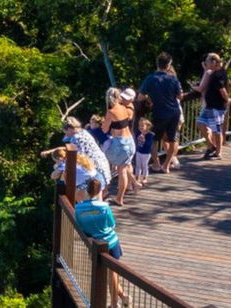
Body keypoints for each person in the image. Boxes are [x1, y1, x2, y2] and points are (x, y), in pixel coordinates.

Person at [74, 177, 126, 307]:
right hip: (112, 242)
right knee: (112, 273)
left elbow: (80, 227)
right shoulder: (104, 206)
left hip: (95, 244)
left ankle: (117, 301)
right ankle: (116, 301)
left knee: (104, 274)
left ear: (86, 190)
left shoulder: (79, 208)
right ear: (99, 191)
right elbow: (112, 224)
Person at [138, 52, 183, 173]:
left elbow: (140, 97)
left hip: (159, 113)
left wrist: (149, 98)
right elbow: (180, 96)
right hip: (174, 112)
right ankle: (166, 165)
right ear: (168, 65)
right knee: (173, 139)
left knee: (153, 139)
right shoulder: (173, 78)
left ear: (157, 64)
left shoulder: (150, 79)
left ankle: (157, 164)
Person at [102, 88, 137, 205]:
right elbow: (128, 118)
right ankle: (121, 196)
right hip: (130, 141)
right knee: (124, 167)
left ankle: (110, 192)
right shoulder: (124, 108)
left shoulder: (110, 111)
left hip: (120, 143)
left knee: (102, 157)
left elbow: (104, 129)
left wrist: (104, 123)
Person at [193, 52, 231, 160]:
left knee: (216, 130)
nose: (206, 63)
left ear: (214, 62)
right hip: (210, 106)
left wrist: (227, 99)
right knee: (200, 122)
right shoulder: (213, 73)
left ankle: (218, 152)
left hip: (216, 106)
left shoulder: (218, 74)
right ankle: (211, 145)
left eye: (207, 61)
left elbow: (222, 90)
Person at [133, 117, 154, 188]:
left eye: (142, 125)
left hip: (146, 153)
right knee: (138, 165)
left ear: (147, 126)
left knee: (144, 165)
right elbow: (135, 138)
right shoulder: (138, 133)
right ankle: (137, 177)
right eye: (139, 126)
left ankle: (145, 177)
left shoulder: (150, 135)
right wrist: (138, 136)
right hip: (139, 151)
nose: (140, 127)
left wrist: (144, 139)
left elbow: (149, 144)